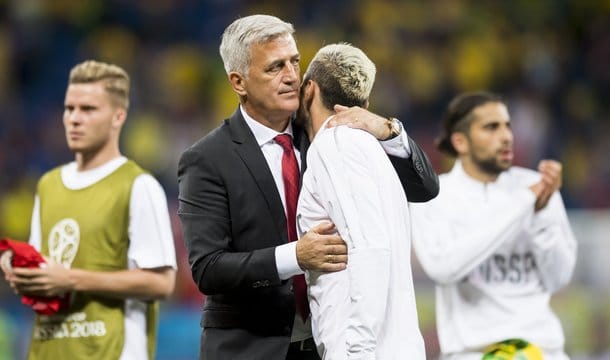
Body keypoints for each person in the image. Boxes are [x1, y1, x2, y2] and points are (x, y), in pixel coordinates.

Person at [177, 14, 438, 360]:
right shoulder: (207, 159)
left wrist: (388, 130)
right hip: (250, 348)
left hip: (323, 345)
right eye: (274, 68)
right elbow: (208, 268)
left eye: (294, 62)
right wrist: (295, 257)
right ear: (239, 81)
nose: (290, 76)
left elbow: (424, 188)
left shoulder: (329, 136)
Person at [0, 60, 177, 360]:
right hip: (49, 349)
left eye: (89, 109)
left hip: (111, 351)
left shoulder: (138, 185)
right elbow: (48, 273)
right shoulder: (48, 184)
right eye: (70, 109)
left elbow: (160, 283)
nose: (74, 119)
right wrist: (19, 267)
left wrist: (71, 279)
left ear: (118, 117)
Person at [410, 91, 577, 359]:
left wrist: (542, 215)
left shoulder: (537, 187)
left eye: (508, 126)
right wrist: (524, 204)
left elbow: (558, 278)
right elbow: (443, 267)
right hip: (473, 353)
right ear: (460, 141)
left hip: (543, 350)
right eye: (491, 127)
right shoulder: (434, 197)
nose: (507, 136)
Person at [295, 42, 426, 359]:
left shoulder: (336, 144)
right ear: (364, 103)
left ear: (309, 90)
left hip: (364, 348)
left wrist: (357, 350)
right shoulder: (371, 149)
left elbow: (370, 248)